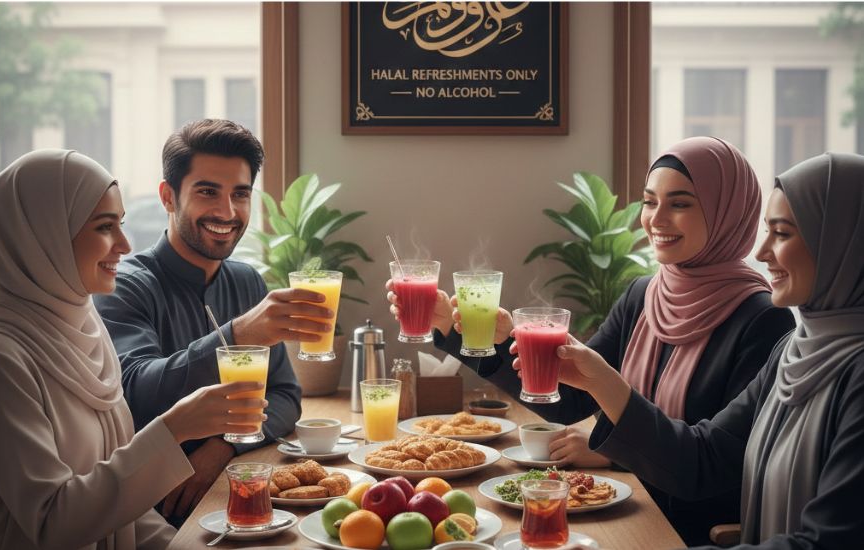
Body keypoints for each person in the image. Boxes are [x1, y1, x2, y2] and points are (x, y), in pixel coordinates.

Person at [387, 136, 795, 545]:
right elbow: (570, 400)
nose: (656, 218)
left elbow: (710, 470)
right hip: (620, 500)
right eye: (650, 201)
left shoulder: (762, 321)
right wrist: (461, 332)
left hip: (683, 529)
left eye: (680, 203)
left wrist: (613, 446)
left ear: (728, 213)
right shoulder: (643, 295)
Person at [547, 151, 864, 549]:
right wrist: (601, 380)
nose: (762, 253)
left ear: (842, 244)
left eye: (782, 234)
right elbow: (702, 460)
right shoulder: (795, 349)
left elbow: (826, 544)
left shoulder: (840, 366)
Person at [0, 149, 267, 550]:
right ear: (43, 235)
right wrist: (174, 430)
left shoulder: (83, 328)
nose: (124, 243)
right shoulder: (1, 359)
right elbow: (52, 525)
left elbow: (122, 510)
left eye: (120, 224)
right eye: (104, 227)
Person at [93, 119, 334, 523]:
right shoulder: (125, 286)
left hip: (236, 490)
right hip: (152, 513)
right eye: (208, 192)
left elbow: (285, 396)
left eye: (240, 194)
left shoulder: (246, 280)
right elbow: (133, 394)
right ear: (168, 197)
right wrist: (239, 335)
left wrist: (223, 448)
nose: (227, 211)